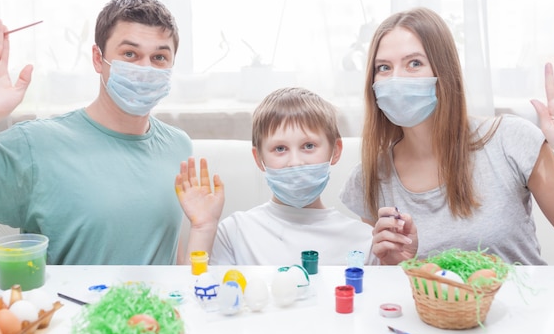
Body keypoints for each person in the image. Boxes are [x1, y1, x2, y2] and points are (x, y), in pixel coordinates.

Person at [0, 0, 223, 265]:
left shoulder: (178, 146)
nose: (145, 69)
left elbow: (169, 261)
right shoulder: (36, 145)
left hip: (153, 309)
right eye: (130, 53)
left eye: (159, 58)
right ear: (97, 58)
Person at [339, 6, 554, 265]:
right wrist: (394, 264)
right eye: (383, 67)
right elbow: (383, 287)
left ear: (444, 72)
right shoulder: (370, 177)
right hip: (432, 308)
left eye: (414, 63)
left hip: (524, 306)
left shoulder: (510, 140)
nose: (396, 79)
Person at [175, 87, 418, 266]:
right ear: (259, 159)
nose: (295, 161)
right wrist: (203, 227)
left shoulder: (365, 241)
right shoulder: (235, 232)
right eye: (280, 149)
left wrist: (397, 265)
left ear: (335, 151)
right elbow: (196, 299)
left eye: (309, 146)